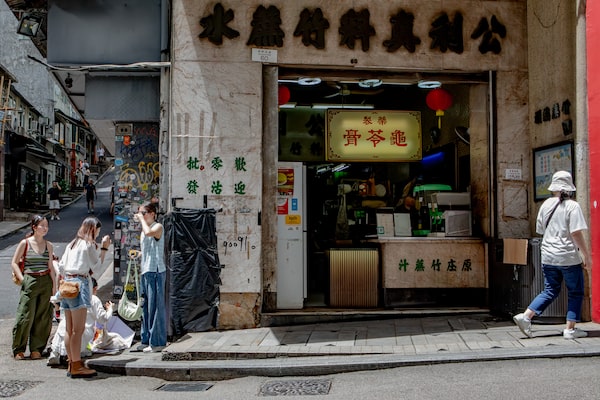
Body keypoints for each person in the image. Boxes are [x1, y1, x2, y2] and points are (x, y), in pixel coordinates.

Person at [513, 171, 592, 339]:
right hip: (568, 257)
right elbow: (576, 233)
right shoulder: (572, 206)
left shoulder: (545, 205)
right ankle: (570, 329)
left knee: (550, 290)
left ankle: (526, 316)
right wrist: (586, 255)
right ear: (569, 188)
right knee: (575, 292)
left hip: (548, 256)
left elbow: (541, 230)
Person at [56, 216, 111, 378]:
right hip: (80, 284)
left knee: (69, 329)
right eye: (98, 231)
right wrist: (104, 248)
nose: (98, 234)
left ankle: (71, 362)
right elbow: (97, 266)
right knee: (78, 330)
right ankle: (77, 365)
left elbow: (61, 266)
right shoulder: (89, 245)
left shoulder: (71, 244)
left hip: (67, 285)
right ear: (93, 230)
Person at [11, 215, 57, 360]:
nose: (45, 228)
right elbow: (14, 263)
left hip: (46, 279)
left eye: (46, 226)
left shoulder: (49, 245)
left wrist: (54, 286)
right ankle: (19, 348)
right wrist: (23, 278)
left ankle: (37, 348)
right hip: (30, 279)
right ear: (34, 227)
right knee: (25, 314)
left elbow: (50, 266)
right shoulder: (25, 243)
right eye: (42, 225)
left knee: (43, 315)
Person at [47, 277, 113, 366]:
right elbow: (103, 318)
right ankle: (74, 360)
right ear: (94, 288)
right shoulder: (93, 299)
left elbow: (55, 299)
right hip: (83, 331)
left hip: (64, 327)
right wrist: (110, 309)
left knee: (65, 329)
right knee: (78, 331)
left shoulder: (69, 292)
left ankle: (56, 353)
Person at [134, 202, 167, 353]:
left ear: (153, 213)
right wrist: (139, 254)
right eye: (140, 213)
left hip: (156, 271)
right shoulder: (144, 230)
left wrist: (141, 219)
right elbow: (149, 249)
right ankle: (146, 339)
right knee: (145, 307)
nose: (141, 215)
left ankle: (158, 342)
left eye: (144, 212)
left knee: (155, 307)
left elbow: (149, 233)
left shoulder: (157, 227)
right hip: (146, 270)